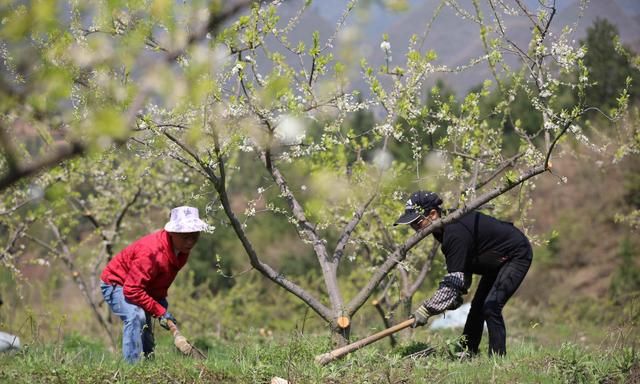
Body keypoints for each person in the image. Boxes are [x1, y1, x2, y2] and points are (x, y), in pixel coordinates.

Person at [394, 191, 532, 357]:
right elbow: (461, 269)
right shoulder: (441, 231)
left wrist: (426, 309)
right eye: (411, 225)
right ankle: (468, 352)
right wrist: (453, 298)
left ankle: (498, 360)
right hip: (492, 260)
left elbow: (454, 281)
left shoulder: (454, 233)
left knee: (491, 307)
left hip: (515, 254)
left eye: (417, 223)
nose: (415, 229)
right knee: (477, 308)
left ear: (432, 214)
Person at [100, 206, 209, 363]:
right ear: (172, 232)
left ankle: (149, 365)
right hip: (117, 283)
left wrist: (160, 306)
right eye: (185, 236)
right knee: (136, 317)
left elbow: (160, 279)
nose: (191, 241)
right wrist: (159, 309)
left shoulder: (182, 249)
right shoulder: (150, 253)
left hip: (141, 286)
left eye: (195, 235)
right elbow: (131, 290)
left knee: (146, 326)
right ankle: (132, 371)